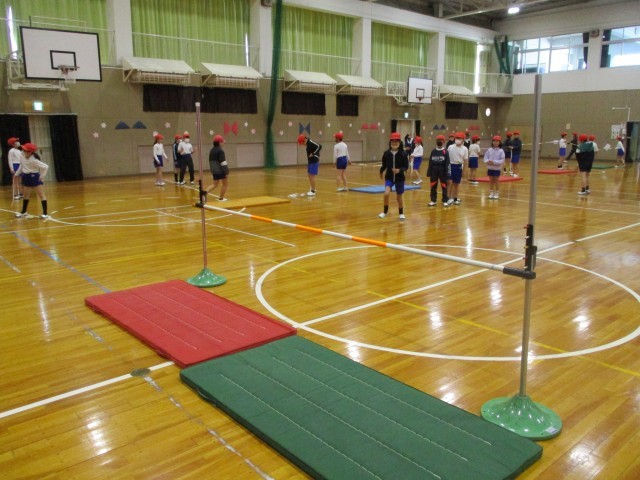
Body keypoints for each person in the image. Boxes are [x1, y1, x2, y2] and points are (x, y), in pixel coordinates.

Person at [378, 132, 408, 220]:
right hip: (389, 177)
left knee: (399, 198)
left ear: (399, 143)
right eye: (392, 141)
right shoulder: (386, 154)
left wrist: (399, 170)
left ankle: (401, 213)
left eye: (396, 141)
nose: (394, 143)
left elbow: (406, 167)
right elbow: (384, 165)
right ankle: (385, 212)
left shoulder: (403, 154)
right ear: (390, 142)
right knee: (386, 193)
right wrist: (381, 172)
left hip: (399, 178)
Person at [14, 143, 49, 218]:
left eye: (25, 150)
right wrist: (16, 174)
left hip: (34, 176)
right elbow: (21, 165)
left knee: (41, 195)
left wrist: (42, 176)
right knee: (26, 195)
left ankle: (45, 213)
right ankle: (24, 212)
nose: (23, 151)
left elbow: (45, 167)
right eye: (23, 150)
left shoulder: (34, 160)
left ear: (30, 152)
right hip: (26, 176)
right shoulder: (22, 156)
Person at [426, 135, 450, 206]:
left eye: (441, 140)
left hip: (442, 170)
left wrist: (448, 172)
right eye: (438, 140)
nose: (439, 141)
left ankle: (445, 200)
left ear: (443, 142)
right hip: (434, 170)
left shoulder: (445, 151)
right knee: (433, 185)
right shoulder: (433, 151)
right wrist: (429, 171)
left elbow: (447, 163)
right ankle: (433, 200)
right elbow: (430, 162)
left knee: (444, 185)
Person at [446, 131, 469, 205]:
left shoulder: (465, 149)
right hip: (450, 165)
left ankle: (455, 198)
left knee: (456, 183)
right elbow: (447, 157)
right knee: (450, 182)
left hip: (458, 166)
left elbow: (465, 161)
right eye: (457, 138)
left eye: (459, 138)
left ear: (463, 140)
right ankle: (448, 197)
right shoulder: (450, 147)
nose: (457, 139)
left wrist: (464, 171)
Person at [205, 134, 229, 202]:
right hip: (221, 170)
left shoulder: (212, 150)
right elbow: (223, 162)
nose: (223, 143)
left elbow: (211, 161)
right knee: (225, 184)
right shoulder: (220, 151)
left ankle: (205, 193)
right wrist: (226, 171)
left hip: (214, 170)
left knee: (214, 184)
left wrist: (213, 170)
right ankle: (221, 198)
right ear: (219, 143)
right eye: (222, 142)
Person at [484, 135, 505, 200]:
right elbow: (485, 158)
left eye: (497, 141)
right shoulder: (489, 150)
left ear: (499, 142)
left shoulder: (501, 151)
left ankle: (497, 193)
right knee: (491, 181)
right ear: (492, 142)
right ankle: (491, 193)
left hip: (497, 169)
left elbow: (502, 160)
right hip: (490, 168)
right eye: (494, 141)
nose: (495, 142)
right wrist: (488, 161)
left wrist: (494, 162)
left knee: (496, 181)